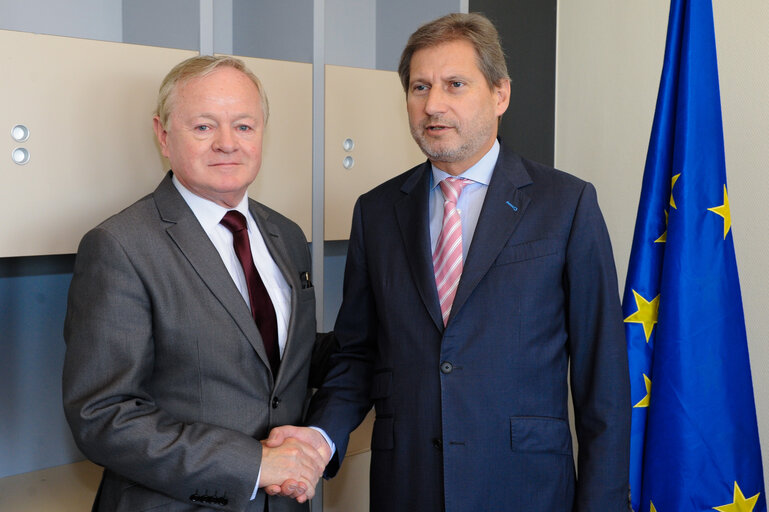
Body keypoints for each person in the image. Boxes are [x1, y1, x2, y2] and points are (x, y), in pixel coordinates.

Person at [267, 12, 631, 511]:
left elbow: (603, 378)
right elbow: (358, 354)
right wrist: (321, 439)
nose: (433, 105)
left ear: (500, 94)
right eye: (419, 87)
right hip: (408, 486)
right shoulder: (377, 211)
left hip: (526, 489)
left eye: (454, 84)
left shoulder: (565, 204)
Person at [62, 55, 330, 512]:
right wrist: (254, 465)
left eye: (244, 126)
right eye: (204, 127)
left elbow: (283, 365)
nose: (228, 144)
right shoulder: (119, 246)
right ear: (164, 136)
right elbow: (103, 415)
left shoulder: (286, 235)